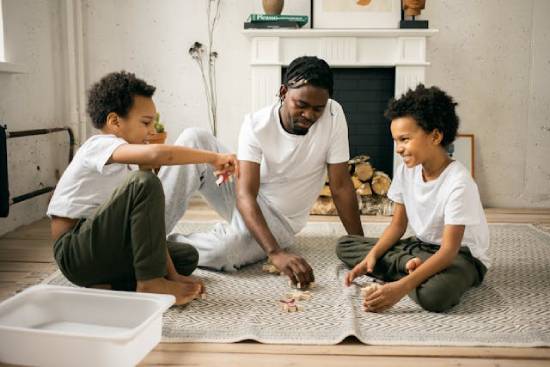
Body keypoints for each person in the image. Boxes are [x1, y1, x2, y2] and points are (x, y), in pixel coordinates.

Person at [160, 56, 364, 288]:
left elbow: (340, 186)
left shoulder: (334, 115)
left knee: (225, 253)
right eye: (301, 105)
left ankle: (164, 247)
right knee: (193, 138)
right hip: (247, 197)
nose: (309, 115)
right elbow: (245, 193)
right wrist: (274, 252)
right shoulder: (256, 125)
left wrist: (361, 246)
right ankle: (144, 237)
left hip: (281, 221)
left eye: (318, 108)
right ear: (283, 92)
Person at [47, 71, 238, 305]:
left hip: (104, 254)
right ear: (114, 121)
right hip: (75, 252)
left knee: (187, 256)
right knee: (145, 181)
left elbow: (152, 228)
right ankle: (150, 284)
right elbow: (159, 153)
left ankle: (110, 286)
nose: (151, 131)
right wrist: (213, 157)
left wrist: (173, 275)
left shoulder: (126, 167)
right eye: (145, 123)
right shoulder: (98, 145)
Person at [337, 84, 490, 313]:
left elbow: (448, 251)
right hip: (419, 246)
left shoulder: (459, 183)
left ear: (435, 136)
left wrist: (399, 289)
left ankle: (408, 271)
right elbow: (398, 225)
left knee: (435, 296)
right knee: (345, 244)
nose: (398, 149)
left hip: (460, 257)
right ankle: (412, 268)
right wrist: (372, 256)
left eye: (405, 139)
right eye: (396, 141)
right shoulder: (406, 170)